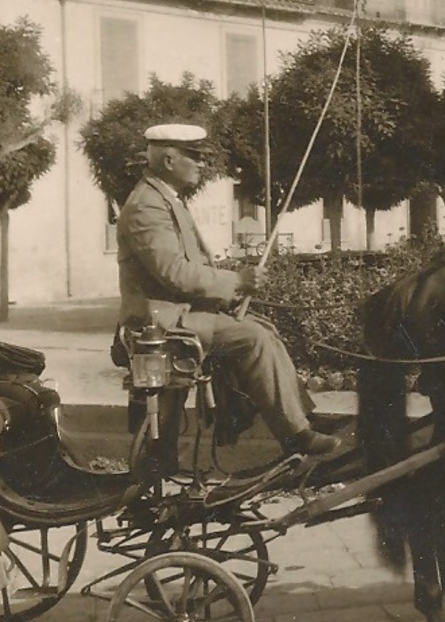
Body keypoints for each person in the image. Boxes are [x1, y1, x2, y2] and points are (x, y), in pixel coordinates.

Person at [117, 123, 340, 458]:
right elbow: (173, 273)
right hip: (160, 322)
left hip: (177, 315)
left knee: (264, 328)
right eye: (194, 156)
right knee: (253, 339)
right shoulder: (148, 206)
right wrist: (236, 282)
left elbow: (186, 268)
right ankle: (296, 435)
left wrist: (230, 289)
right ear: (167, 160)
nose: (202, 164)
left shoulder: (164, 200)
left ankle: (301, 418)